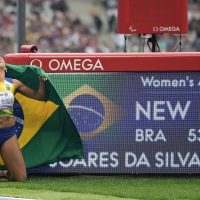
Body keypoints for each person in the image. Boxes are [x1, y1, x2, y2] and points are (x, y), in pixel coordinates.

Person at [0, 57, 46, 181]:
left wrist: (42, 81)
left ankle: (3, 173)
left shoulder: (14, 83)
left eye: (1, 58)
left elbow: (39, 96)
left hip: (7, 133)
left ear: (5, 68)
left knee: (20, 177)